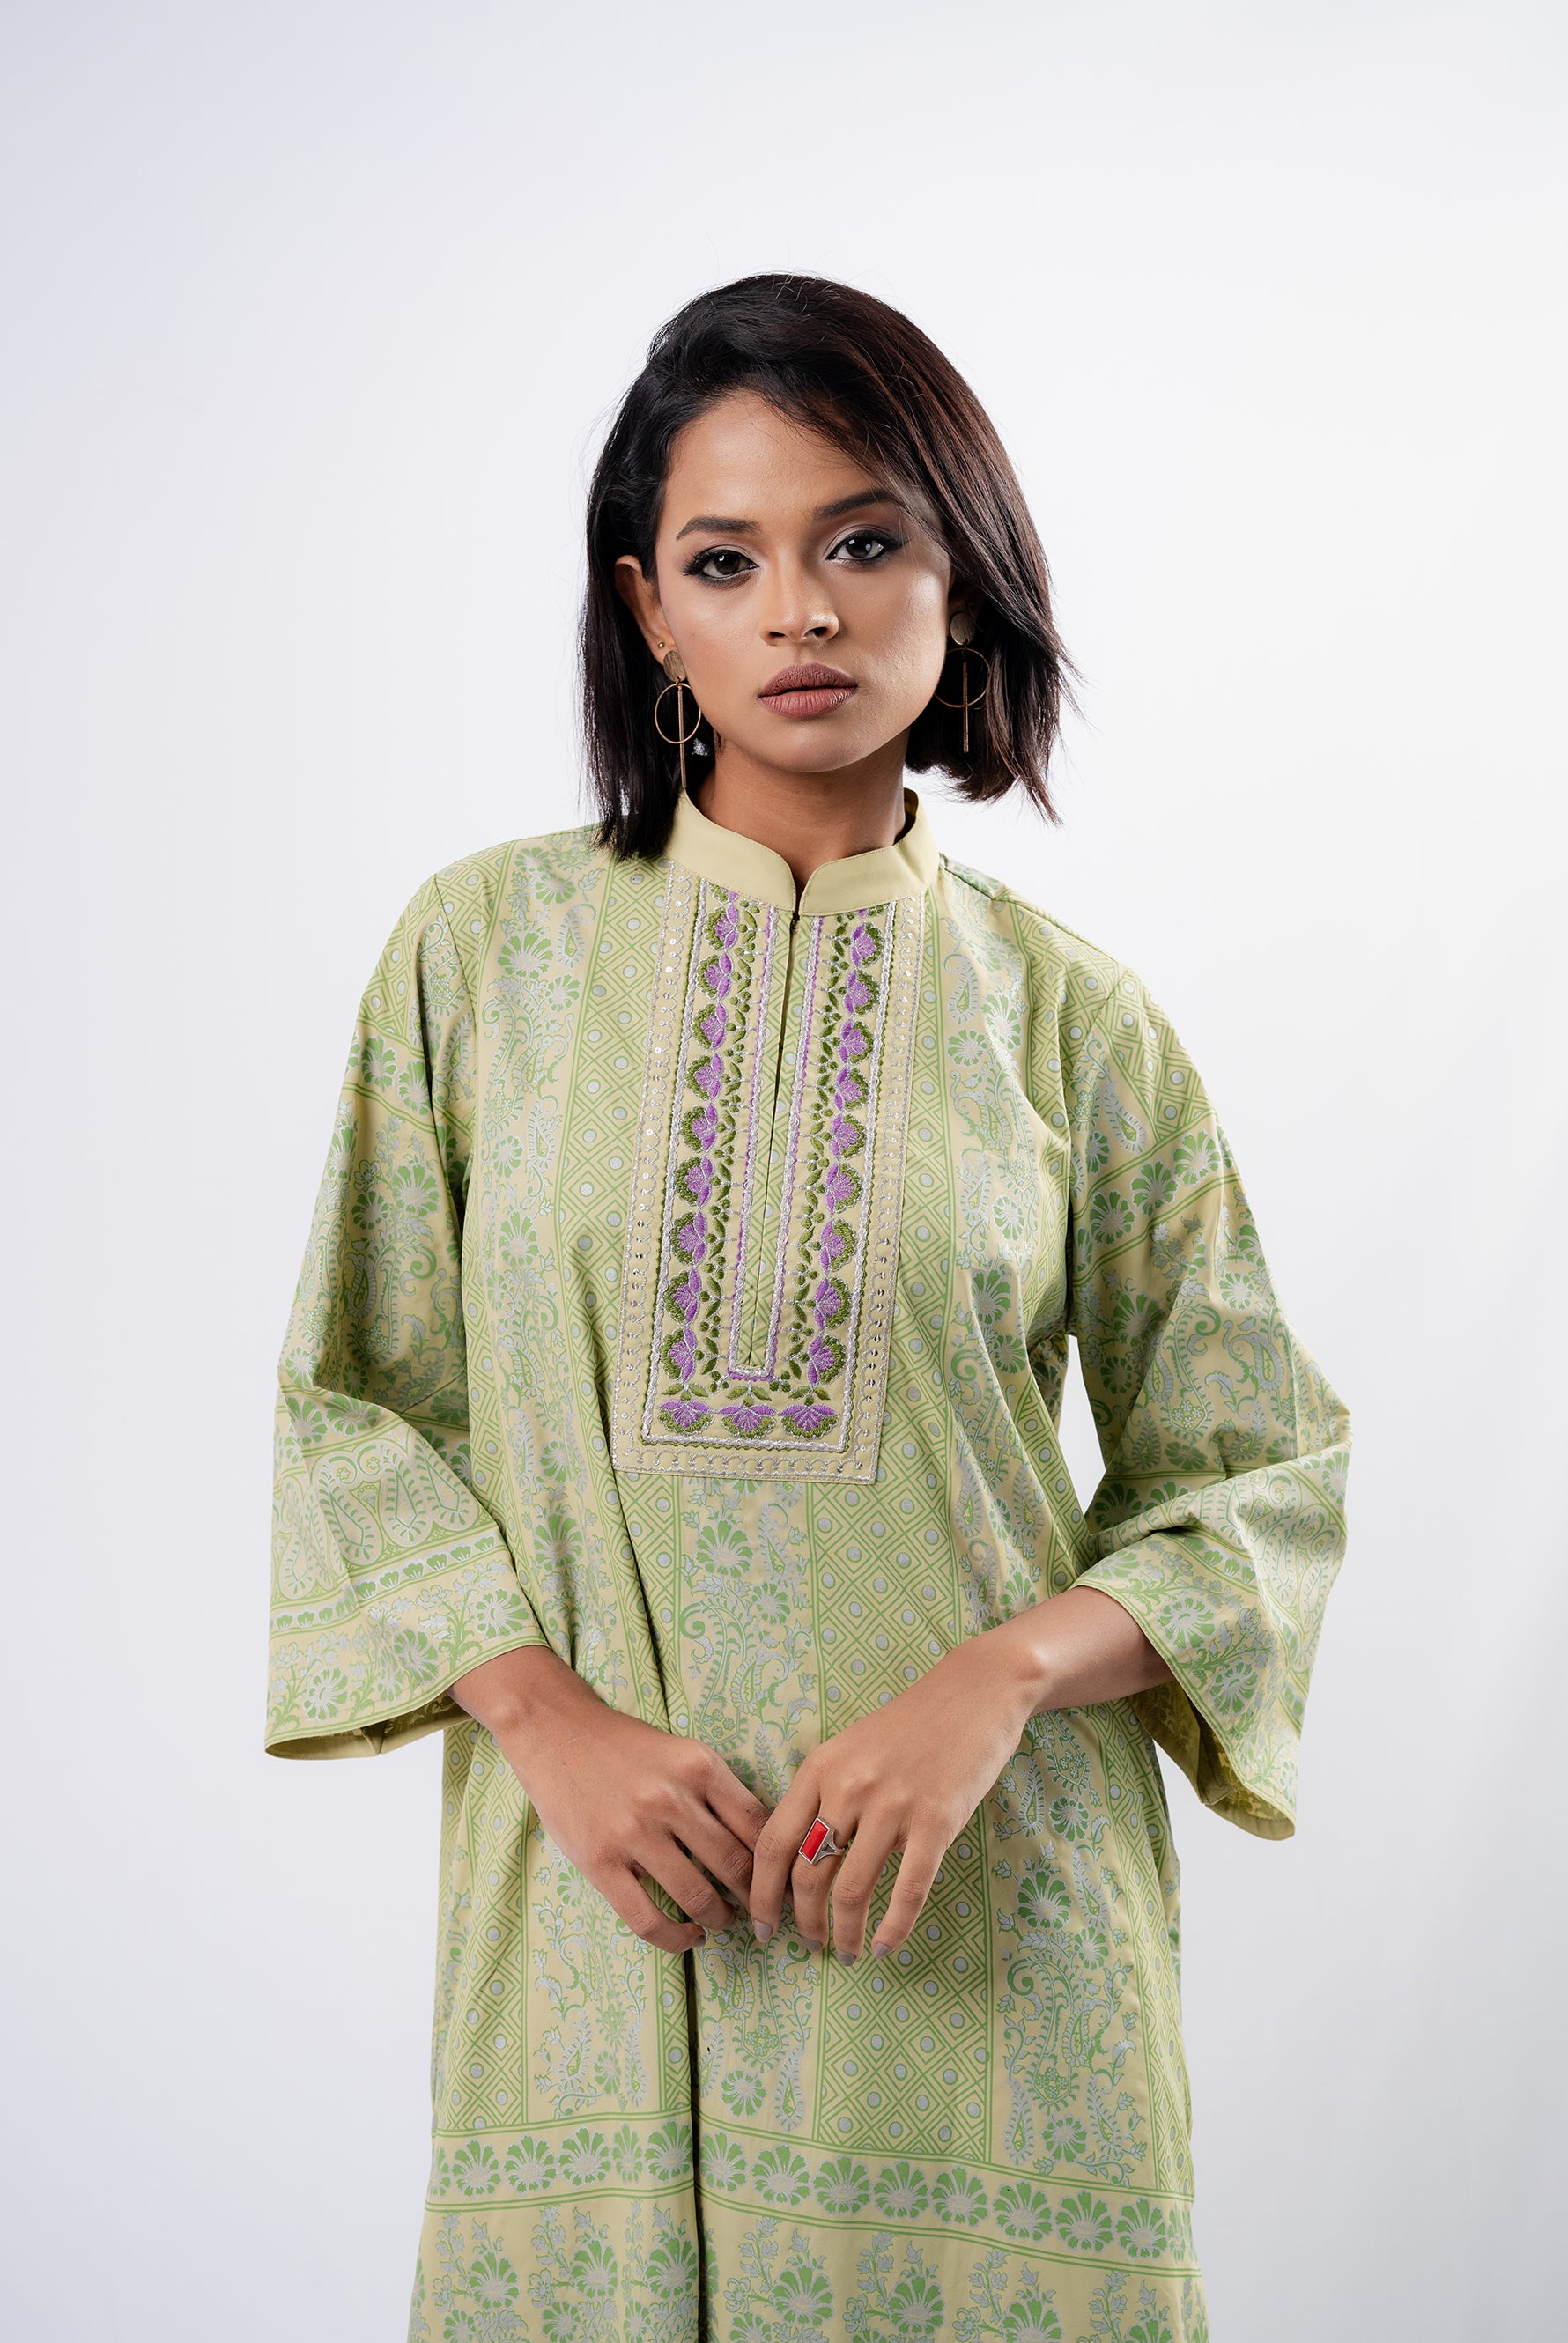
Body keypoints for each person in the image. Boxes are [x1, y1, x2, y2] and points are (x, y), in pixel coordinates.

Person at [268, 274, 1350, 2343]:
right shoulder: (478, 961)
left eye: (862, 542)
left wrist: (994, 1686)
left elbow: (1258, 1479)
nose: (800, 612)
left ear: (961, 579)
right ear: (646, 611)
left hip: (984, 1919)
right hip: (602, 1915)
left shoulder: (1069, 1021)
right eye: (724, 560)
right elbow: (352, 1403)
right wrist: (545, 1718)